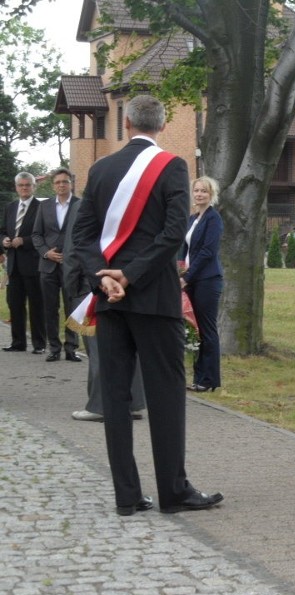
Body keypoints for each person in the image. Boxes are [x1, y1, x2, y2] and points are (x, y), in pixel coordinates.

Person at [72, 94, 223, 516]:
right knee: (166, 394)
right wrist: (131, 275)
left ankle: (127, 496)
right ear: (161, 124)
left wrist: (104, 276)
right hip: (153, 298)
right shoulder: (173, 166)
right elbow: (174, 233)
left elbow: (82, 236)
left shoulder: (100, 169)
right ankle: (173, 492)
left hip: (110, 302)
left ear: (125, 124)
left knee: (116, 397)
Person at [62, 179, 146, 423]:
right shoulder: (133, 202)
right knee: (130, 346)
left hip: (92, 284)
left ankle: (100, 405)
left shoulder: (84, 206)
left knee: (99, 349)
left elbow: (74, 247)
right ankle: (132, 402)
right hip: (127, 282)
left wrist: (71, 284)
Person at [31, 168, 82, 362]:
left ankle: (71, 348)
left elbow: (84, 234)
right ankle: (54, 347)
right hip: (48, 266)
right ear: (53, 186)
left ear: (71, 184)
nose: (61, 185)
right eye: (58, 182)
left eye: (65, 182)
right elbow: (36, 234)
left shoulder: (80, 205)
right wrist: (46, 252)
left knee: (72, 307)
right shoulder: (44, 207)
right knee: (50, 308)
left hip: (72, 266)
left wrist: (73, 256)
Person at [180, 175, 224, 393]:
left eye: (204, 191)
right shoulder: (192, 219)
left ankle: (209, 379)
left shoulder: (213, 219)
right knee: (194, 330)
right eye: (196, 191)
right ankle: (198, 377)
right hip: (190, 280)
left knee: (207, 330)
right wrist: (178, 271)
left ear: (211, 194)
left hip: (206, 280)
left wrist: (186, 277)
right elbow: (184, 250)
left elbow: (207, 252)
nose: (199, 195)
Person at [1, 172, 46, 354]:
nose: (24, 188)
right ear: (16, 187)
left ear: (34, 187)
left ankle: (39, 344)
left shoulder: (42, 207)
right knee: (15, 304)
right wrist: (3, 240)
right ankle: (18, 342)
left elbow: (44, 234)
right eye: (21, 185)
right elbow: (2, 230)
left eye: (28, 185)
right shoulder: (11, 207)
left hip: (33, 264)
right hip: (14, 265)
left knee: (36, 305)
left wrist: (25, 241)